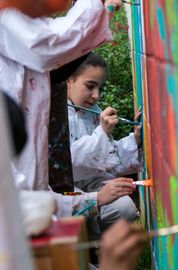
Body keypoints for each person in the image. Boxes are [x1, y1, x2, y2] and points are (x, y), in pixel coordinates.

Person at [0, 0, 131, 218]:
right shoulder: (8, 15)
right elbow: (49, 45)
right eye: (89, 86)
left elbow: (37, 198)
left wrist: (94, 200)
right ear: (70, 81)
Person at [67, 52, 143, 189]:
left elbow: (108, 160)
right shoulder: (53, 114)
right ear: (69, 80)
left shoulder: (93, 111)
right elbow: (70, 164)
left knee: (123, 205)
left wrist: (135, 140)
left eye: (100, 88)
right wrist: (102, 133)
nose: (96, 96)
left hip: (90, 183)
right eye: (90, 86)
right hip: (61, 190)